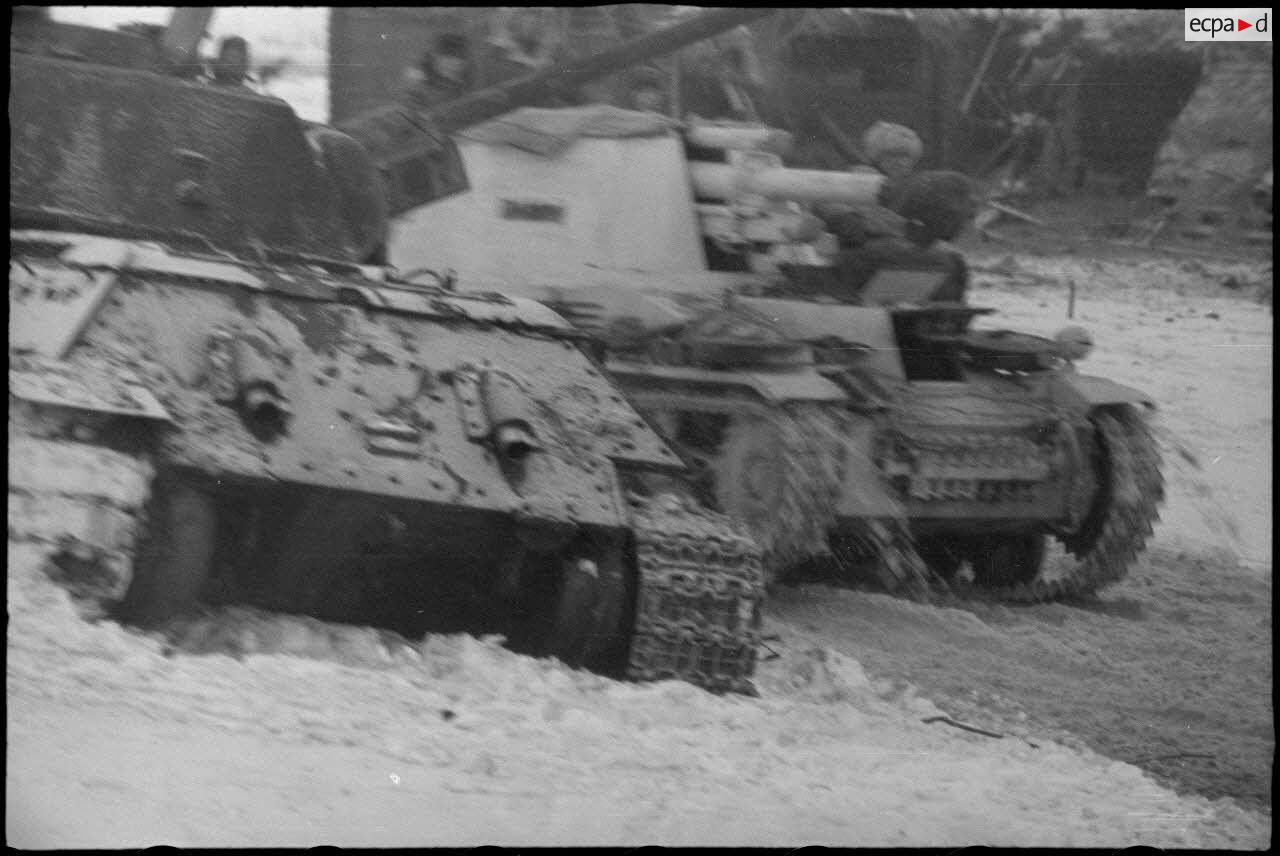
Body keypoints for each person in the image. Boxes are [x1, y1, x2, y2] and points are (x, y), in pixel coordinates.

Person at [407, 32, 471, 109]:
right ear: (434, 57)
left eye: (460, 58)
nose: (455, 64)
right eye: (449, 58)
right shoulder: (418, 89)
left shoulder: (462, 83)